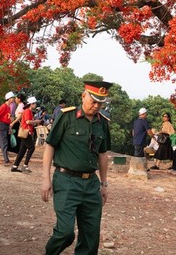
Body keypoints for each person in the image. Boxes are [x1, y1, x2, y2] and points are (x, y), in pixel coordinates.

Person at [41, 80, 112, 255]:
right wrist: (45, 179)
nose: (96, 106)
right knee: (65, 233)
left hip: (91, 185)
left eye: (100, 103)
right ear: (83, 96)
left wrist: (104, 184)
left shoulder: (102, 122)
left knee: (90, 238)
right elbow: (50, 146)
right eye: (93, 101)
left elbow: (102, 154)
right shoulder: (67, 117)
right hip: (66, 181)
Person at [12, 96, 41, 173]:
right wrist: (36, 121)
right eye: (35, 103)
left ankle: (15, 166)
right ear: (31, 104)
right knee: (31, 148)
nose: (35, 105)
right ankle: (25, 165)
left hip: (25, 132)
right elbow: (28, 122)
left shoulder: (27, 111)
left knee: (22, 150)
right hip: (26, 132)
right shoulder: (28, 111)